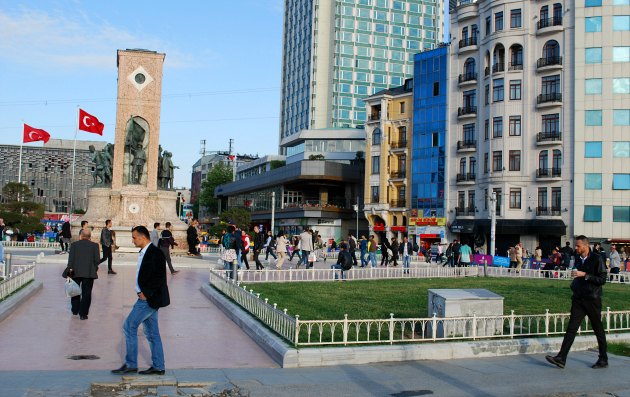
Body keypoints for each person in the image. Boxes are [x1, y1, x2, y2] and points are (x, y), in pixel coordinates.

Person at [112, 226, 170, 376]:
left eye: (134, 237)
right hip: (148, 298)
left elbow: (159, 276)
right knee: (152, 333)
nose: (132, 241)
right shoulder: (144, 252)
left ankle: (131, 364)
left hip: (148, 299)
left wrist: (147, 293)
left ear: (143, 237)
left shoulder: (155, 253)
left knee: (128, 326)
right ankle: (159, 366)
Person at [546, 235, 608, 370]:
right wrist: (574, 283)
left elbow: (602, 279)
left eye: (578, 246)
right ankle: (561, 358)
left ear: (586, 246)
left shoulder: (597, 259)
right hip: (579, 299)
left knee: (598, 328)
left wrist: (584, 275)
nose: (576, 248)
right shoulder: (579, 259)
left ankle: (603, 359)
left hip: (592, 299)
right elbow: (578, 275)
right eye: (576, 245)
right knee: (571, 328)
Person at [64, 228, 100, 320]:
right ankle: (83, 314)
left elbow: (70, 261)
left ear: (81, 236)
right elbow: (97, 260)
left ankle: (75, 310)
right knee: (87, 293)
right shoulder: (95, 246)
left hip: (75, 272)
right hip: (89, 272)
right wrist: (94, 269)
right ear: (90, 237)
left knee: (74, 291)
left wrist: (69, 273)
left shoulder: (74, 245)